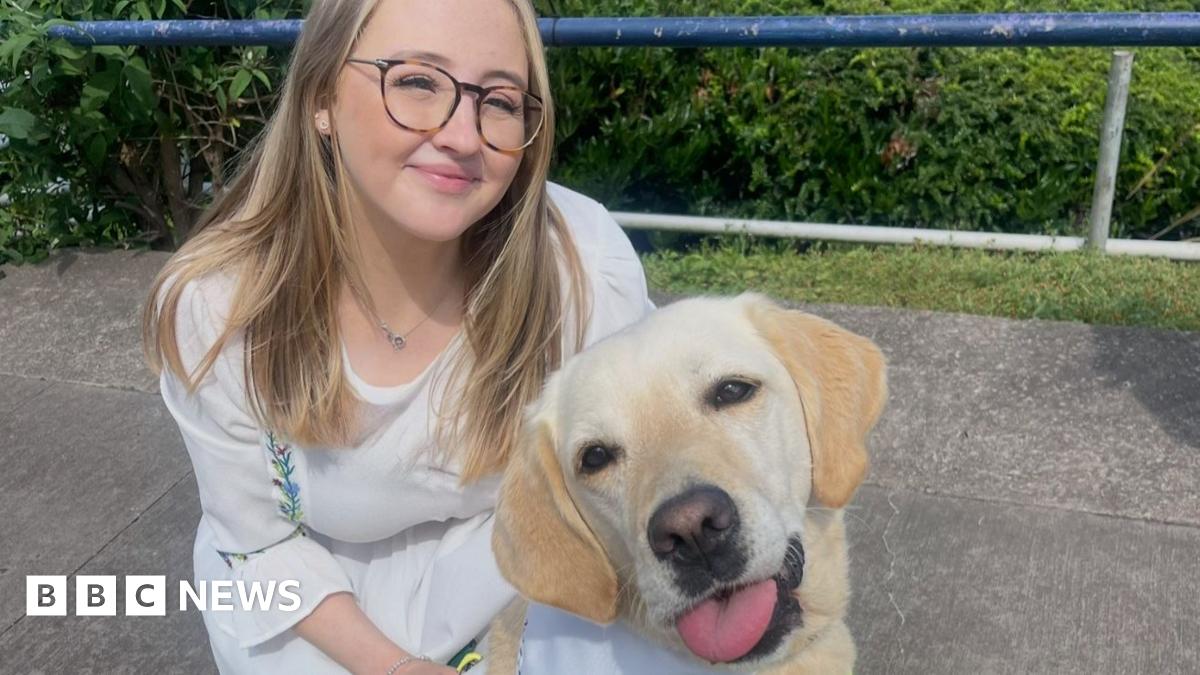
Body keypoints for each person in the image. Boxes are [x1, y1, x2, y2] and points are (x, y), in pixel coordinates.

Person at [141, 0, 654, 672]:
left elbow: (641, 479)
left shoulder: (581, 270)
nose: (463, 137)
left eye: (500, 100)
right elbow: (260, 544)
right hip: (311, 606)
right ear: (321, 98)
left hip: (522, 574)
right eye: (416, 82)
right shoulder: (220, 311)